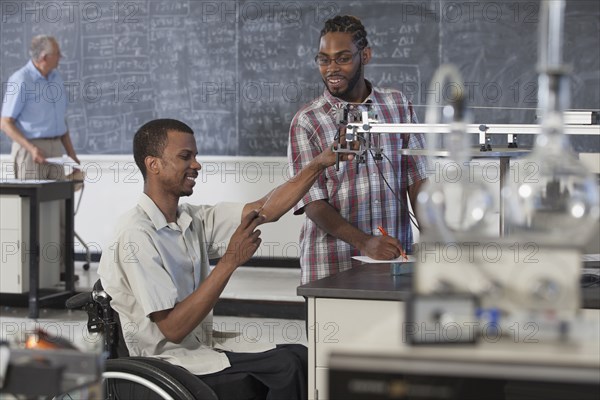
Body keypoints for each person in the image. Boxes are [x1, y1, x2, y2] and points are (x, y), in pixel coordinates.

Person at [98, 118, 351, 399]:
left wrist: (320, 163)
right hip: (165, 363)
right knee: (287, 368)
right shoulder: (136, 234)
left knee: (300, 356)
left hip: (197, 350)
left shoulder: (190, 219)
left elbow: (265, 210)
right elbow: (173, 328)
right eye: (185, 157)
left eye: (195, 156)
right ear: (153, 164)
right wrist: (230, 261)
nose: (197, 165)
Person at [288, 15, 428, 284]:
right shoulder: (307, 120)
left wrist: (434, 239)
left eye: (342, 58)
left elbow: (418, 179)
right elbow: (312, 203)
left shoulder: (398, 105)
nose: (332, 68)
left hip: (394, 259)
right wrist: (365, 243)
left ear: (365, 55)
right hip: (331, 265)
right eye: (324, 59)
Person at [1, 35, 79, 179]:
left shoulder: (56, 78)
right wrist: (32, 149)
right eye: (57, 54)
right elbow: (5, 123)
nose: (60, 57)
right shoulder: (21, 80)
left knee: (59, 199)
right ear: (44, 57)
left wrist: (71, 154)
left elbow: (61, 120)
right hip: (31, 151)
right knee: (32, 200)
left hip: (56, 151)